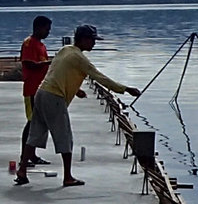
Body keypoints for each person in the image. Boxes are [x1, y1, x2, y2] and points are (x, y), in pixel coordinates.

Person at [17, 24, 140, 188]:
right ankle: (67, 177)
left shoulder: (65, 50)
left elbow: (56, 73)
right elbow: (100, 78)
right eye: (92, 40)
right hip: (54, 97)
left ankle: (22, 171)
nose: (94, 44)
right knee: (65, 137)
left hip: (42, 93)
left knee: (35, 134)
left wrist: (76, 90)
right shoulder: (79, 58)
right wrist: (126, 89)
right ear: (83, 39)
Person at [15, 14, 54, 171]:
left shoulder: (41, 45)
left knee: (38, 123)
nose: (48, 32)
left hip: (41, 89)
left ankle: (32, 155)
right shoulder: (29, 44)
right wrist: (51, 62)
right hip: (31, 89)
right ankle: (24, 156)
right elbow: (29, 64)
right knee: (31, 123)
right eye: (47, 29)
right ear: (38, 27)